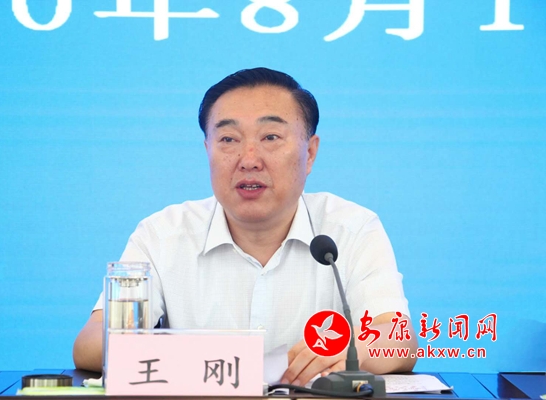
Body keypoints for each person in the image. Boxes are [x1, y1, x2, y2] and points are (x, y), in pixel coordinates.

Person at [73, 67, 417, 383]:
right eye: (228, 139)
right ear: (207, 149)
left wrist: (352, 353)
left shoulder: (351, 229)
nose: (249, 160)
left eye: (271, 137)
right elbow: (90, 343)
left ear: (310, 153)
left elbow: (398, 339)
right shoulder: (162, 234)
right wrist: (195, 357)